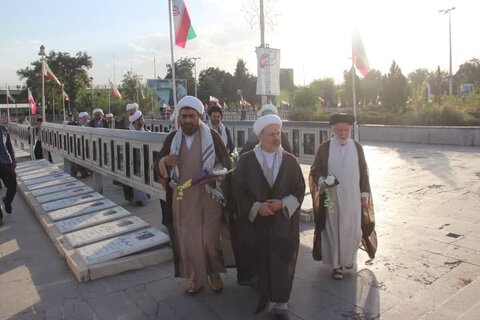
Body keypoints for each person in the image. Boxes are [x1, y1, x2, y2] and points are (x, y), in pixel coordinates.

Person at [155, 96, 232, 295]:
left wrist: (214, 173)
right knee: (189, 240)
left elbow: (226, 165)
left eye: (191, 116)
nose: (187, 120)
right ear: (179, 118)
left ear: (199, 116)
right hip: (183, 199)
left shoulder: (213, 136)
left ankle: (214, 276)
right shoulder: (172, 139)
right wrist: (165, 161)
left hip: (209, 196)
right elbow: (157, 165)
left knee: (209, 239)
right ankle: (197, 279)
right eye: (184, 116)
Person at [234, 114, 305, 320]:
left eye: (278, 133)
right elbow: (238, 190)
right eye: (271, 134)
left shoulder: (290, 161)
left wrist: (282, 203)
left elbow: (299, 189)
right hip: (257, 224)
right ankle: (263, 289)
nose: (276, 138)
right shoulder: (246, 161)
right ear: (260, 136)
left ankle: (280, 302)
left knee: (282, 260)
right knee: (260, 259)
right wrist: (256, 206)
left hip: (283, 222)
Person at [309, 113, 377, 280]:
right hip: (332, 199)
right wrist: (322, 180)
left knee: (352, 231)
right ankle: (336, 266)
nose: (343, 133)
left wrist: (364, 193)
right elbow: (315, 170)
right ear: (333, 130)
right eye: (339, 130)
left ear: (350, 129)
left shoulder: (357, 147)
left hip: (352, 198)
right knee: (333, 231)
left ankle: (347, 260)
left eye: (346, 130)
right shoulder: (325, 148)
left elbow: (363, 171)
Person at [128, 110, 150, 206]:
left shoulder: (143, 130)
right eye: (142, 118)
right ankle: (139, 199)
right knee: (137, 179)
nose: (143, 120)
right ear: (136, 121)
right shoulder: (128, 132)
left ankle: (143, 197)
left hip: (143, 160)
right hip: (134, 161)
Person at [0, 125, 17, 226]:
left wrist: (13, 160)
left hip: (6, 162)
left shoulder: (3, 129)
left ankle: (7, 201)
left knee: (13, 186)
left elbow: (9, 146)